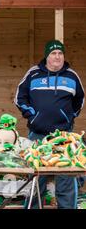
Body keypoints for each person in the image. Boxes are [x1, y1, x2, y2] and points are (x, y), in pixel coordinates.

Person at [15, 40, 85, 209]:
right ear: (47, 56)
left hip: (64, 136)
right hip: (37, 134)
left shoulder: (71, 76)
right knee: (36, 177)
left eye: (60, 53)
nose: (57, 56)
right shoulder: (33, 74)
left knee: (66, 178)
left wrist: (68, 117)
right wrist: (32, 115)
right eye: (53, 53)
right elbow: (19, 97)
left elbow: (79, 100)